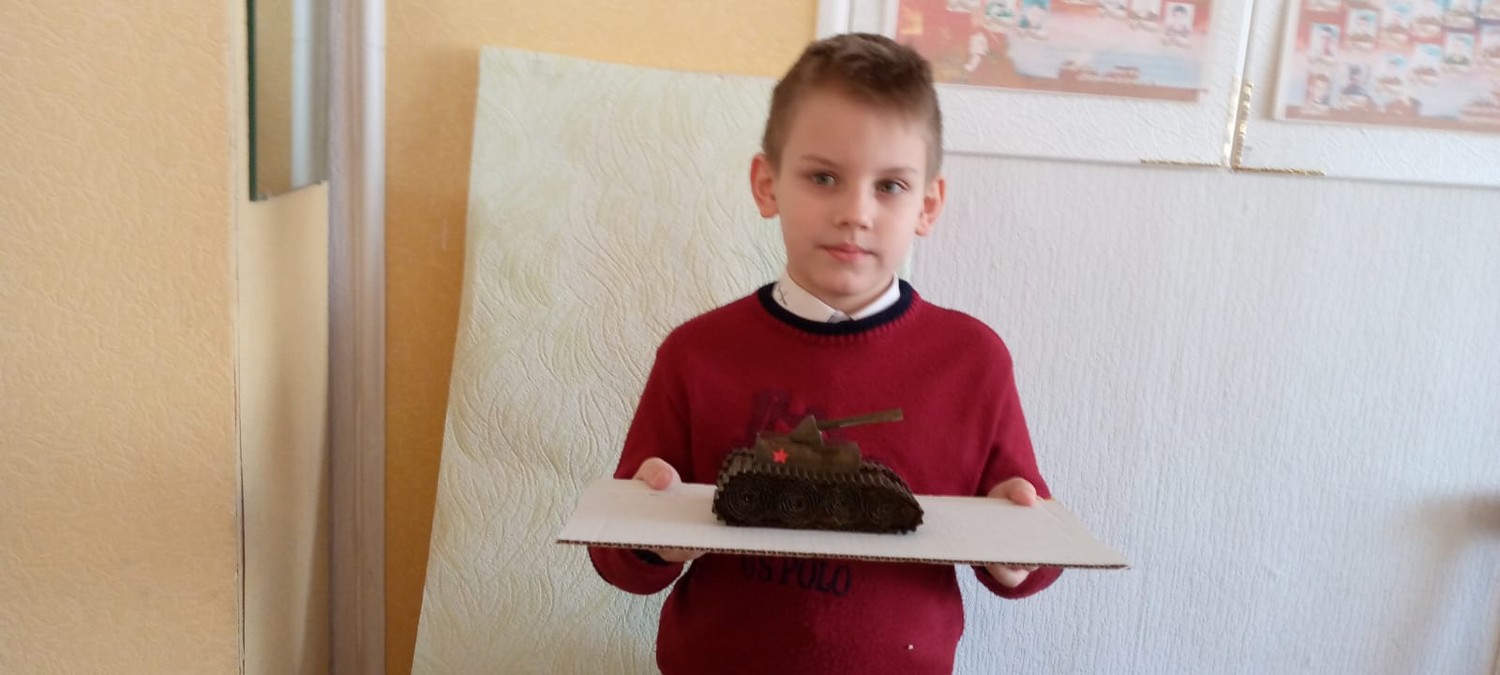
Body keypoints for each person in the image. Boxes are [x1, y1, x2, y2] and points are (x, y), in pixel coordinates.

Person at [588, 33, 1062, 674]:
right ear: (767, 186)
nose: (855, 212)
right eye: (823, 177)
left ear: (927, 205)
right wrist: (651, 535)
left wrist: (1017, 545)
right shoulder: (697, 354)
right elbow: (616, 558)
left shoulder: (971, 360)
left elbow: (1036, 552)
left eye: (890, 185)